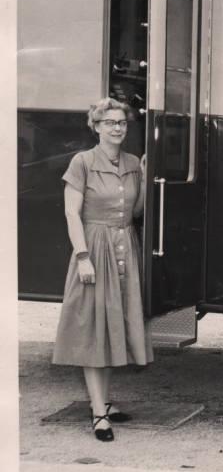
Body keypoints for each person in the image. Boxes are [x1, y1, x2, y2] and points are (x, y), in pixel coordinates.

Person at [52, 98, 152, 442]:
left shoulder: (130, 163)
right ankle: (98, 413)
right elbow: (71, 214)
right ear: (95, 127)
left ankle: (104, 403)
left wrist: (145, 174)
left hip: (126, 248)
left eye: (121, 122)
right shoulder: (82, 163)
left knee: (113, 330)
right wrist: (82, 257)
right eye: (109, 122)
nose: (117, 128)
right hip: (94, 248)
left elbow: (136, 211)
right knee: (94, 331)